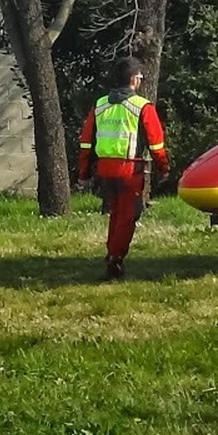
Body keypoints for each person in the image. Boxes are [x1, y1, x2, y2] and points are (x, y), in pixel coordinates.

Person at [77, 56, 171, 280]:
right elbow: (156, 144)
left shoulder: (99, 105)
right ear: (133, 79)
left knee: (116, 213)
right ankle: (115, 258)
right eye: (140, 76)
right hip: (130, 170)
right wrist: (164, 168)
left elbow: (86, 142)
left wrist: (83, 172)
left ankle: (112, 253)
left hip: (105, 170)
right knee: (128, 215)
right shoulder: (142, 107)